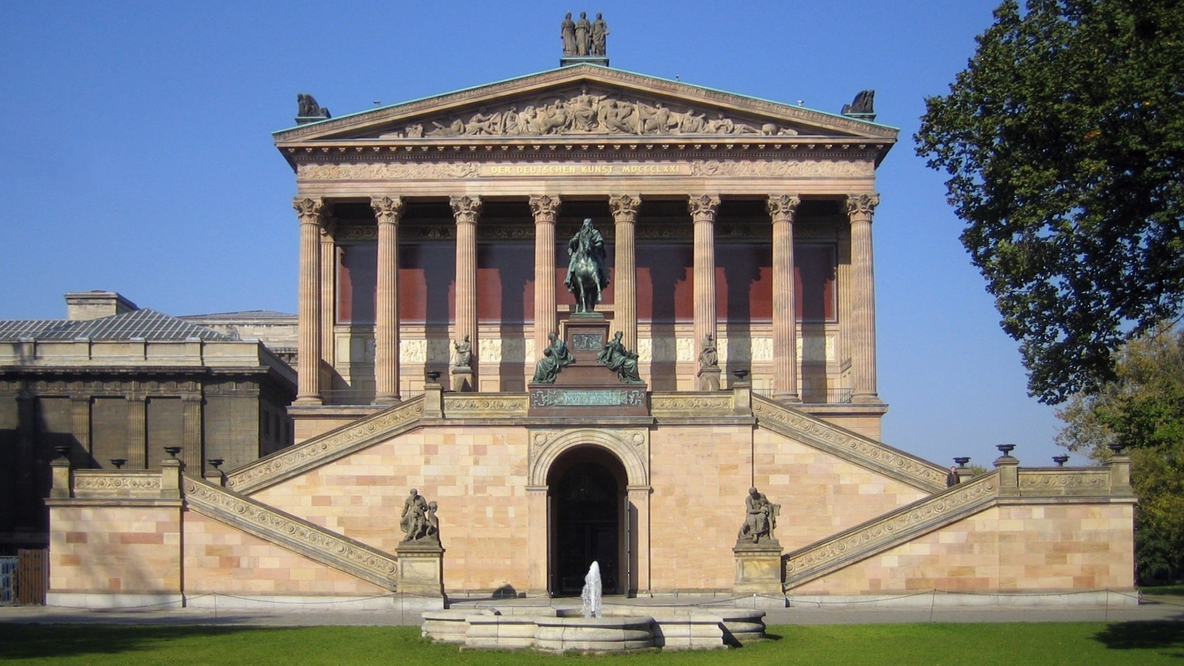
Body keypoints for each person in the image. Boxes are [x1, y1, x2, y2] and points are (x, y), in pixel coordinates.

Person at [564, 218, 609, 293]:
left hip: (593, 253)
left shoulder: (595, 233)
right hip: (579, 253)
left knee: (600, 262)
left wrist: (594, 246)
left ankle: (605, 279)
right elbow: (572, 241)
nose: (587, 224)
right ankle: (568, 279)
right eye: (585, 223)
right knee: (572, 262)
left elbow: (600, 243)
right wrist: (572, 242)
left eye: (588, 223)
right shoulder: (580, 233)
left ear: (591, 225)